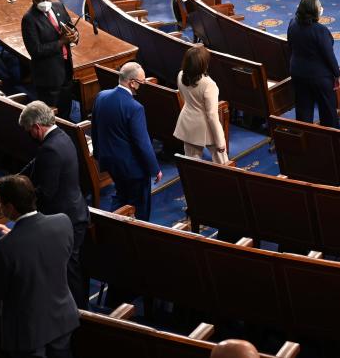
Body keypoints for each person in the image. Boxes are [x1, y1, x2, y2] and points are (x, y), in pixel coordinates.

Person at [0, 175, 79, 358]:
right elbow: (51, 254)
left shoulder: (4, 248)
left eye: (0, 202)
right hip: (62, 319)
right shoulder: (63, 222)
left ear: (10, 207)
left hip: (28, 332)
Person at [18, 101, 90, 310]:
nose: (29, 136)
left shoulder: (49, 148)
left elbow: (46, 192)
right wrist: (17, 179)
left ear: (37, 127)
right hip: (73, 212)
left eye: (28, 131)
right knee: (71, 267)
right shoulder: (61, 136)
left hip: (65, 218)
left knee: (69, 269)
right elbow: (35, 163)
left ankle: (79, 313)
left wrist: (21, 202)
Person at [91, 62, 162, 221]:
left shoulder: (101, 96)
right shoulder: (135, 107)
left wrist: (98, 154)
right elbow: (142, 143)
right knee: (140, 207)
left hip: (109, 162)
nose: (142, 86)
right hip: (132, 169)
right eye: (142, 83)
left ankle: (112, 226)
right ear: (132, 83)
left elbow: (95, 128)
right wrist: (155, 169)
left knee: (121, 196)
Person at [21, 0, 78, 119]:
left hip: (66, 68)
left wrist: (75, 36)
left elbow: (71, 27)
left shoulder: (58, 6)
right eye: (41, 0)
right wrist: (61, 42)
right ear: (33, 0)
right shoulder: (29, 19)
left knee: (66, 109)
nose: (45, 3)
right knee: (50, 117)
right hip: (48, 76)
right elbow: (36, 50)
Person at [287, 0, 340, 128]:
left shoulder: (292, 23)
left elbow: (290, 44)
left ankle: (305, 143)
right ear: (313, 11)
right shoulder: (320, 30)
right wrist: (337, 74)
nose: (321, 8)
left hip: (298, 73)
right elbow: (329, 55)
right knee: (328, 112)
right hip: (320, 77)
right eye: (319, 7)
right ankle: (331, 142)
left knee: (303, 112)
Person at [174, 45, 228, 164]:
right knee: (222, 163)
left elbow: (184, 97)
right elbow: (212, 115)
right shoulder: (209, 84)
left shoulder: (181, 75)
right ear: (203, 64)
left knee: (192, 164)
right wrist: (220, 141)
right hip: (206, 126)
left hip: (188, 122)